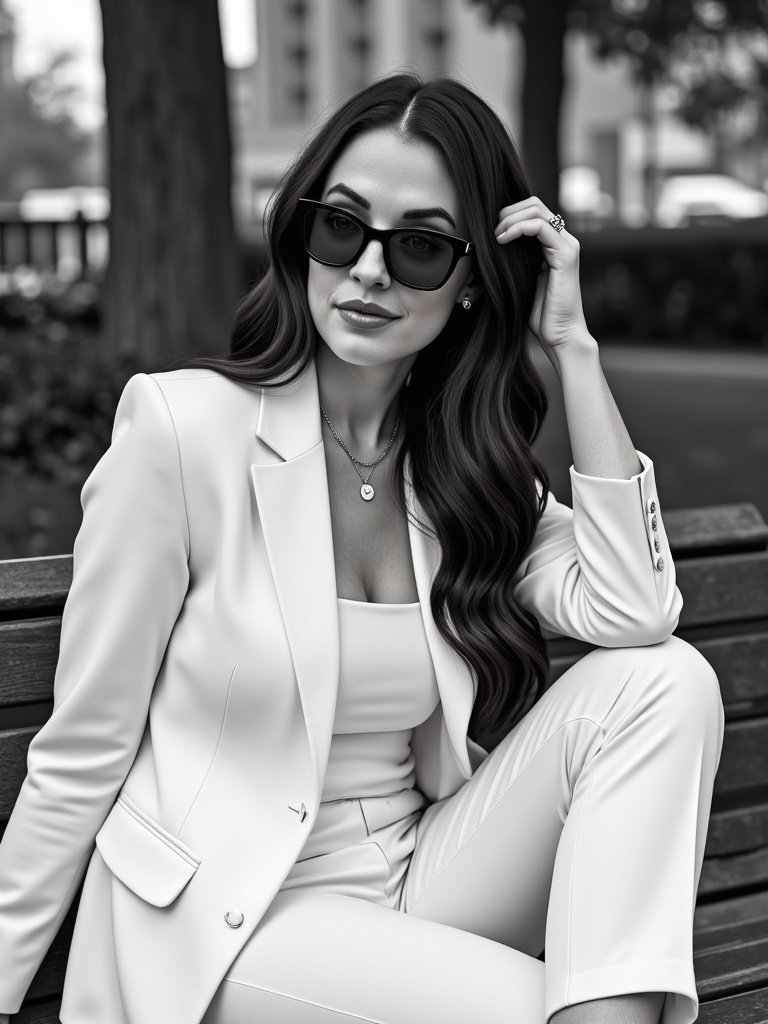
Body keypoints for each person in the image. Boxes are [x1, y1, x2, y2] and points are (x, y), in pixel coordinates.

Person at [0, 72, 724, 1024]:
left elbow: (633, 613)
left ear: (473, 284)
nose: (371, 272)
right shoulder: (185, 432)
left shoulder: (460, 470)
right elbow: (84, 748)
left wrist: (573, 345)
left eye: (421, 247)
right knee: (541, 1011)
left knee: (668, 680)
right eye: (342, 227)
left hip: (420, 879)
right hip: (229, 921)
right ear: (303, 234)